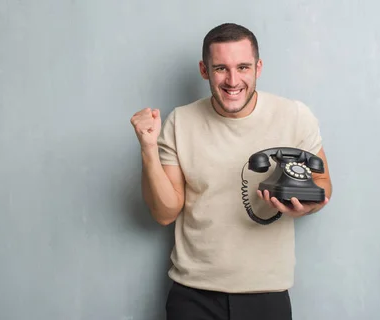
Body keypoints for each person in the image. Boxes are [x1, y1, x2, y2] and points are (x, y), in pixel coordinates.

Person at [130, 22, 333, 320]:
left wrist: (307, 206)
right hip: (194, 293)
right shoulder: (180, 122)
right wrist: (148, 149)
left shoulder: (295, 116)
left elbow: (322, 181)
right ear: (204, 70)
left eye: (243, 67)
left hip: (267, 292)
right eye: (221, 68)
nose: (233, 80)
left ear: (258, 67)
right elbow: (164, 213)